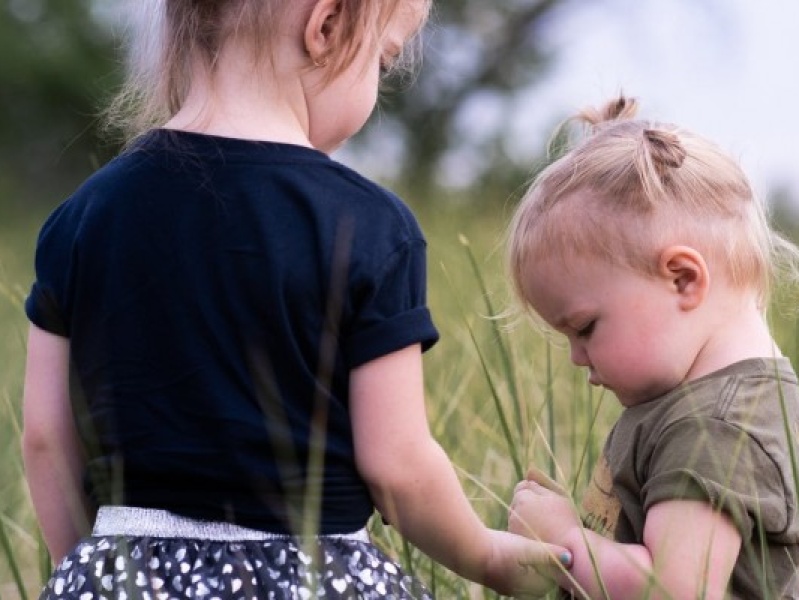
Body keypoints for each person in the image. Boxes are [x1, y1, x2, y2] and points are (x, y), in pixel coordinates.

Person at [21, 0, 571, 598]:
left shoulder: (82, 217)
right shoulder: (371, 226)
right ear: (327, 26)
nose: (375, 92)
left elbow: (46, 438)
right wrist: (487, 555)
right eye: (382, 64)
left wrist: (94, 573)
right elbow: (397, 467)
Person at [504, 94, 799, 599]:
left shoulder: (716, 428)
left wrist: (561, 539)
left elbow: (672, 589)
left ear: (683, 280)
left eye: (586, 328)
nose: (578, 358)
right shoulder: (696, 405)